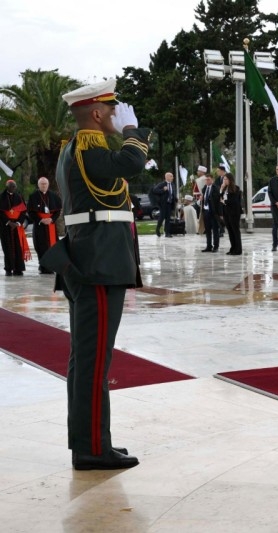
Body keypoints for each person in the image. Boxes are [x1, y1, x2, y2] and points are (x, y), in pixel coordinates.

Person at [40, 78, 148, 470]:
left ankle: (93, 442)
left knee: (88, 359)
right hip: (98, 265)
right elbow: (131, 163)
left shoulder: (80, 148)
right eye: (114, 109)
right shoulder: (88, 146)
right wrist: (134, 132)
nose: (119, 115)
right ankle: (91, 449)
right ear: (98, 114)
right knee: (92, 361)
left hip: (93, 261)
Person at [27, 177, 63, 273]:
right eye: (42, 184)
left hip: (51, 225)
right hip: (40, 226)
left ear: (48, 184)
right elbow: (30, 212)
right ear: (38, 185)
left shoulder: (54, 196)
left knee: (53, 246)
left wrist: (52, 219)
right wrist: (41, 220)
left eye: (45, 184)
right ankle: (43, 267)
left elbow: (58, 211)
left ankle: (52, 266)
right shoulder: (33, 196)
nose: (44, 185)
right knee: (41, 246)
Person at [0, 180, 31, 276]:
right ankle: (8, 269)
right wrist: (8, 222)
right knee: (7, 248)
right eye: (11, 186)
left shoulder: (19, 197)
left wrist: (18, 222)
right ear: (7, 186)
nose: (13, 188)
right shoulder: (1, 197)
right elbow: (0, 212)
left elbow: (23, 211)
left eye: (14, 186)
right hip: (5, 226)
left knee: (18, 247)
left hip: (17, 227)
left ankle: (18, 269)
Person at [220, 174, 242, 255]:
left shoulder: (236, 188)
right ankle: (232, 248)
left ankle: (238, 249)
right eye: (224, 179)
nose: (224, 181)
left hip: (234, 212)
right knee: (230, 231)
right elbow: (220, 198)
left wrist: (225, 201)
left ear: (230, 180)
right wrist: (221, 189)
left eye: (226, 179)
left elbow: (234, 201)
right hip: (226, 212)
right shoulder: (225, 188)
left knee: (235, 230)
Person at [200, 173, 222, 252]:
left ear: (212, 180)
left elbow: (217, 200)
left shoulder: (216, 188)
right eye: (206, 180)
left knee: (215, 230)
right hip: (206, 211)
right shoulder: (204, 188)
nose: (207, 181)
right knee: (207, 230)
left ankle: (216, 246)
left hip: (213, 211)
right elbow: (203, 197)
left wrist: (219, 213)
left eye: (208, 179)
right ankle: (208, 246)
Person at [152, 171, 177, 237]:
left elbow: (172, 193)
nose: (172, 177)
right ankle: (157, 229)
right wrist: (163, 190)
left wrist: (175, 198)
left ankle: (167, 233)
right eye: (171, 176)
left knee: (168, 218)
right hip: (163, 204)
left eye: (172, 176)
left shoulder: (172, 184)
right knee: (162, 217)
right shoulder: (162, 184)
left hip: (169, 203)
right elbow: (155, 190)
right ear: (167, 177)